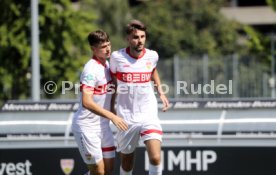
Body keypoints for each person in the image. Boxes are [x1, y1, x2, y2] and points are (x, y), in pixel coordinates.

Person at [110, 20, 169, 175]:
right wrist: (111, 109)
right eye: (135, 37)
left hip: (148, 113)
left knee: (155, 158)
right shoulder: (117, 58)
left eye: (143, 36)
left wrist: (161, 92)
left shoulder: (152, 55)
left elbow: (153, 70)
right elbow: (112, 83)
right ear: (128, 39)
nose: (140, 40)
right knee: (127, 163)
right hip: (126, 116)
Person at [72, 30, 128, 175]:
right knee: (99, 172)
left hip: (103, 127)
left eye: (109, 45)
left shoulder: (108, 65)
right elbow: (86, 102)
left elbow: (113, 88)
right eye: (103, 47)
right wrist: (112, 116)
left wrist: (114, 108)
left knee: (109, 171)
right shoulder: (90, 70)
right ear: (93, 49)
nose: (108, 49)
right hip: (87, 127)